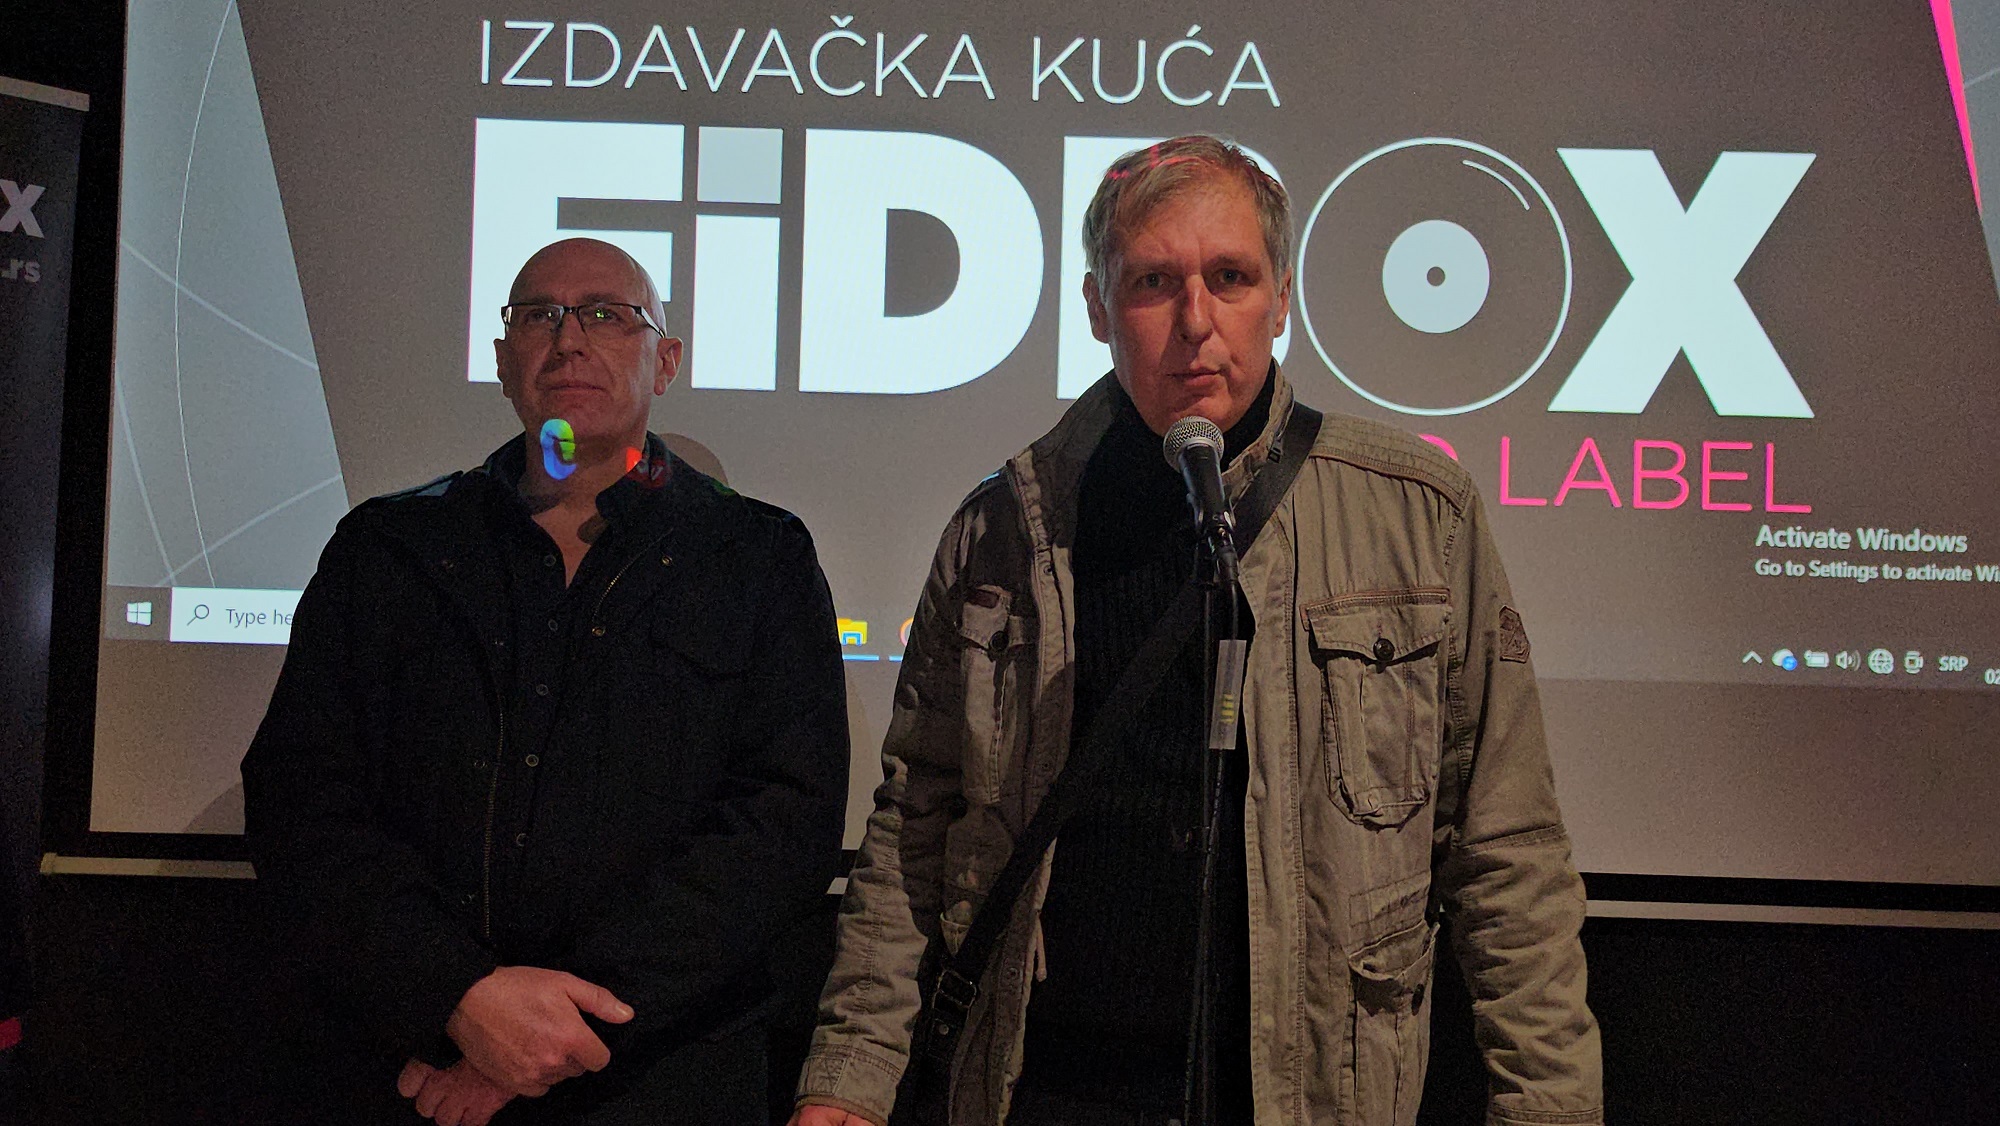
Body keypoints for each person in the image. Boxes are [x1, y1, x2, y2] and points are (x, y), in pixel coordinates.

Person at [791, 136, 1602, 1126]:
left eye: (1230, 278)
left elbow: (1506, 849)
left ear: (1281, 298)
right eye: (1152, 282)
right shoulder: (1003, 529)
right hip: (1046, 1088)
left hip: (1308, 1094)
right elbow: (913, 829)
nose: (1195, 321)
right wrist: (849, 1074)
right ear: (1097, 307)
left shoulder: (1416, 516)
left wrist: (1549, 1106)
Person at [242, 237, 849, 1125]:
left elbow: (783, 824)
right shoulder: (388, 551)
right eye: (539, 315)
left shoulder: (759, 558)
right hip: (411, 1067)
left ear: (666, 361)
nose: (569, 339)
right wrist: (457, 997)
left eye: (607, 314)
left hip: (662, 1077)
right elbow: (302, 794)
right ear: (503, 360)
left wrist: (551, 1031)